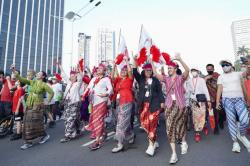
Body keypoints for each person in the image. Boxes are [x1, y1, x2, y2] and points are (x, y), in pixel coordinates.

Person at [151, 54, 189, 164]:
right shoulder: (166, 79)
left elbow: (187, 70)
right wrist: (151, 61)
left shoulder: (181, 78)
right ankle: (174, 154)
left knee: (180, 125)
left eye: (170, 68)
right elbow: (155, 73)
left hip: (180, 105)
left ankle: (183, 142)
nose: (169, 70)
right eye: (168, 68)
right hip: (169, 105)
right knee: (169, 128)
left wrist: (180, 59)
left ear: (176, 69)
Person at [11, 65, 54, 150]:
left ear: (43, 76)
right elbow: (22, 79)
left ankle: (33, 140)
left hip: (37, 106)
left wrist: (47, 101)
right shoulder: (33, 82)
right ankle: (32, 140)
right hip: (29, 105)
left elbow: (51, 92)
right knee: (27, 123)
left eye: (39, 74)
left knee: (34, 124)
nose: (37, 74)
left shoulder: (44, 84)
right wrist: (14, 71)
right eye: (37, 73)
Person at [133, 57, 165, 157]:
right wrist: (135, 61)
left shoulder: (155, 80)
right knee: (145, 124)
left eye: (150, 70)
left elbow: (160, 92)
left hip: (154, 106)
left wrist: (162, 102)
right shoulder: (141, 79)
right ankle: (154, 141)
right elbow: (134, 72)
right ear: (144, 70)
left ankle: (151, 146)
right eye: (147, 70)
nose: (149, 72)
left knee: (152, 125)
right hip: (143, 106)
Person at [216, 60, 250, 153]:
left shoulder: (238, 74)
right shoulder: (221, 77)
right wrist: (217, 102)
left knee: (245, 120)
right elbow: (219, 89)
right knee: (231, 122)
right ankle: (235, 142)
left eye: (227, 65)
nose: (225, 66)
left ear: (231, 65)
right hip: (227, 100)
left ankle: (241, 134)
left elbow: (248, 72)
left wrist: (248, 64)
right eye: (223, 65)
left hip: (239, 99)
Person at [83, 63, 113, 150]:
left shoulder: (106, 79)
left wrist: (106, 94)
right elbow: (88, 88)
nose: (99, 69)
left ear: (104, 71)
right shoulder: (93, 79)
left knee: (98, 120)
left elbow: (110, 89)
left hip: (102, 101)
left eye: (101, 68)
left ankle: (97, 141)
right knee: (96, 119)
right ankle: (104, 133)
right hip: (94, 102)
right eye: (98, 68)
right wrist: (83, 96)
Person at [111, 57, 135, 153]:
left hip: (127, 101)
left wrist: (126, 62)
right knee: (125, 121)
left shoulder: (130, 79)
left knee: (120, 123)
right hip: (118, 102)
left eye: (125, 70)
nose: (123, 71)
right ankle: (131, 135)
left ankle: (120, 144)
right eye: (122, 70)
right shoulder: (118, 80)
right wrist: (114, 65)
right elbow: (112, 77)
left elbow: (130, 71)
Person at [58, 64, 83, 143]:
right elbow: (64, 75)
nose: (72, 77)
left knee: (70, 119)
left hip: (75, 103)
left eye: (74, 76)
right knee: (68, 118)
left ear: (76, 77)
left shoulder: (78, 84)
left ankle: (68, 135)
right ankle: (78, 129)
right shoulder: (68, 83)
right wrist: (60, 66)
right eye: (71, 76)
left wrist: (79, 71)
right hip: (67, 103)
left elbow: (80, 78)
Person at [186, 67, 211, 142]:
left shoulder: (202, 80)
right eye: (192, 71)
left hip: (201, 100)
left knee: (202, 115)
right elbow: (188, 92)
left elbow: (205, 90)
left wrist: (208, 100)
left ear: (197, 71)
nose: (194, 72)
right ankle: (197, 133)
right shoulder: (189, 81)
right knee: (195, 117)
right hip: (193, 100)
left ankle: (204, 126)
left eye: (195, 71)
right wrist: (187, 102)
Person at [205, 64, 225, 132]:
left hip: (219, 97)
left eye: (211, 68)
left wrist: (212, 76)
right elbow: (202, 85)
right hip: (210, 99)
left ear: (213, 69)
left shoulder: (218, 75)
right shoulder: (205, 77)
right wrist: (206, 78)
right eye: (208, 69)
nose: (209, 70)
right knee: (213, 113)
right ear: (206, 69)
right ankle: (216, 127)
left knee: (221, 112)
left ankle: (221, 121)